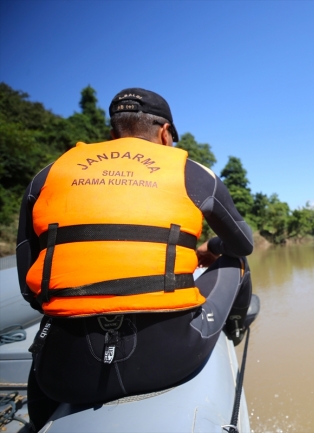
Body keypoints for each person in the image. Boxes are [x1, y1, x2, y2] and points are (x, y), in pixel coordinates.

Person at [15, 88, 254, 430]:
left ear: (112, 134)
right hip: (172, 357)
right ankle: (234, 327)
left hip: (65, 372)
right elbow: (243, 244)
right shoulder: (193, 172)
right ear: (165, 133)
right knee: (237, 263)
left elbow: (30, 292)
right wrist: (212, 249)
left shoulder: (48, 174)